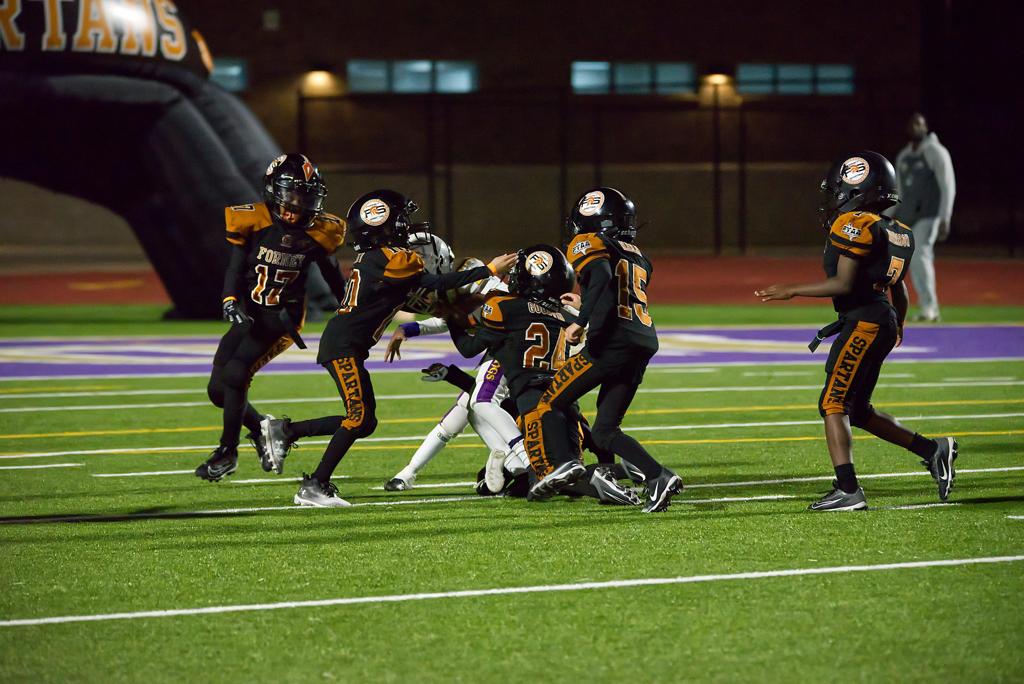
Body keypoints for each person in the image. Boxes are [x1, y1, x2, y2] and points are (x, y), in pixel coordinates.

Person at [261, 189, 517, 506]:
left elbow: (424, 300)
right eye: (400, 219)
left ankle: (286, 431)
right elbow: (434, 285)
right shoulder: (390, 258)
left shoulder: (376, 258)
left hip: (346, 344)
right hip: (344, 346)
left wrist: (424, 321)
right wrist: (488, 270)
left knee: (365, 421)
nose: (404, 225)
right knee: (358, 417)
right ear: (381, 223)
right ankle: (315, 484)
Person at [755, 150, 958, 511]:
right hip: (881, 319)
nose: (834, 199)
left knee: (832, 403)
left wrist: (793, 290)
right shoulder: (897, 230)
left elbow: (843, 283)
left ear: (857, 188)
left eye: (838, 190)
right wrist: (899, 323)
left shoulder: (856, 224)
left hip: (864, 321)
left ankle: (848, 490)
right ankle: (933, 450)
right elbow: (899, 287)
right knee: (858, 410)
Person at [524, 188, 682, 513]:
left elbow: (601, 274)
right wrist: (586, 303)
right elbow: (619, 293)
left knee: (549, 402)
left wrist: (580, 322)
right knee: (605, 431)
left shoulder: (588, 242)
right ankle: (658, 476)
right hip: (642, 341)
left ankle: (565, 466)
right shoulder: (639, 255)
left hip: (611, 343)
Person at [445, 244, 641, 506]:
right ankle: (624, 470)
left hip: (534, 402)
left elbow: (469, 348)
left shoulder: (505, 307)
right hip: (564, 395)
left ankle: (603, 482)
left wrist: (450, 318)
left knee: (544, 477)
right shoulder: (565, 313)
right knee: (566, 470)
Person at [195, 154, 347, 482]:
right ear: (273, 191)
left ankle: (227, 452)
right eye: (291, 196)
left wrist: (350, 307)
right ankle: (265, 429)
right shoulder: (254, 221)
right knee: (218, 391)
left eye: (305, 198)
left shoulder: (318, 233)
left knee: (236, 374)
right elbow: (236, 267)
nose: (296, 206)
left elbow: (334, 277)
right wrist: (229, 299)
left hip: (281, 320)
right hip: (250, 314)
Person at [382, 256, 533, 492]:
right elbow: (451, 321)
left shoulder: (496, 298)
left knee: (476, 404)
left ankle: (520, 464)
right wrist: (409, 328)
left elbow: (468, 346)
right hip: (509, 356)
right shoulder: (484, 298)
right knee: (467, 409)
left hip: (514, 359)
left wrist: (448, 318)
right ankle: (408, 473)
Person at [891, 113, 956, 322]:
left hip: (929, 215)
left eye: (919, 123)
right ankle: (926, 306)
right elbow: (899, 192)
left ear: (926, 127)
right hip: (908, 217)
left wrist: (945, 217)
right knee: (913, 260)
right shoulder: (903, 156)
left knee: (921, 254)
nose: (915, 127)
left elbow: (947, 185)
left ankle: (930, 308)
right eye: (912, 124)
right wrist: (884, 216)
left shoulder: (936, 152)